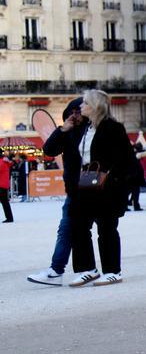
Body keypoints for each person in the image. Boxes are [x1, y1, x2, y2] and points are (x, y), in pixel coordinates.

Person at [53, 89, 137, 287]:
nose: (80, 107)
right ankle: (87, 269)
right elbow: (54, 149)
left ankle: (112, 271)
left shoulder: (113, 128)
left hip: (107, 183)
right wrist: (63, 129)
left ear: (94, 106)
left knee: (106, 227)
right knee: (78, 225)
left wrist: (112, 179)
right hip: (87, 179)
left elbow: (125, 158)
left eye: (84, 104)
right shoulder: (85, 128)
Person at [27, 98, 83, 286]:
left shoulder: (93, 132)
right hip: (75, 190)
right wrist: (62, 130)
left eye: (79, 111)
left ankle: (105, 270)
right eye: (72, 112)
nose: (75, 115)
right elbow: (49, 149)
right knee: (66, 229)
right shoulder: (67, 132)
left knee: (103, 230)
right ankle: (56, 271)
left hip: (95, 188)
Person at [0, 151, 13, 222]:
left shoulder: (1, 162)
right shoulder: (4, 161)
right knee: (5, 202)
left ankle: (9, 218)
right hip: (4, 184)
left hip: (1, 184)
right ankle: (9, 217)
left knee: (5, 202)